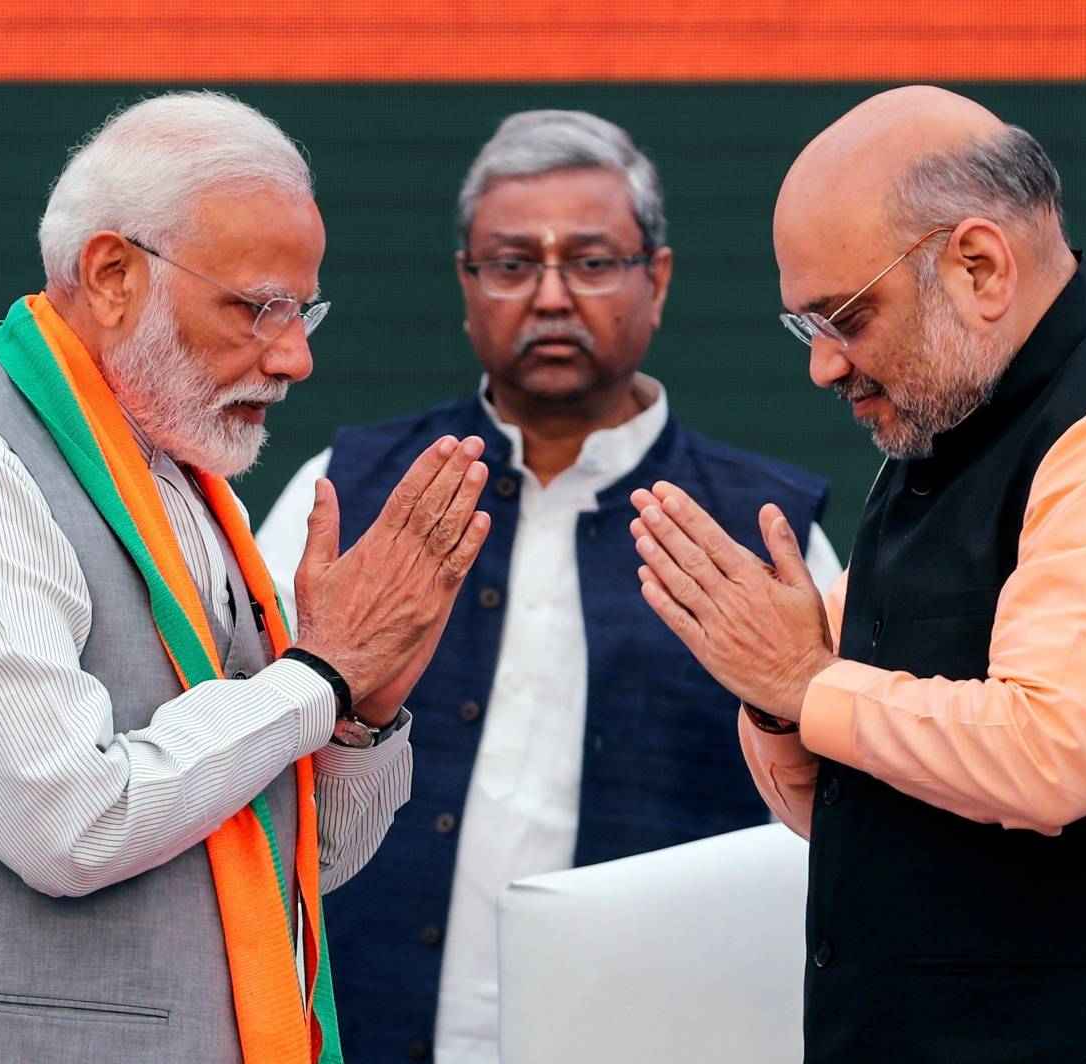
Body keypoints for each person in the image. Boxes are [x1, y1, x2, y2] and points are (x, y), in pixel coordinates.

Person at [0, 91, 493, 1063]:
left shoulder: (179, 479)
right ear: (112, 275)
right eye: (257, 307)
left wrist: (355, 715)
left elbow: (288, 860)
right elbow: (75, 823)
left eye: (304, 307)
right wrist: (315, 676)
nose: (297, 355)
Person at [628, 86, 1086, 1061]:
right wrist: (782, 704)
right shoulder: (945, 448)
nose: (822, 368)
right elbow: (855, 813)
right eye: (808, 330)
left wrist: (803, 680)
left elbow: (1052, 754)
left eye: (844, 316)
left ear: (977, 265)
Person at [255, 109, 840, 1062]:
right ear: (467, 286)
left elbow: (837, 815)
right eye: (513, 263)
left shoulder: (768, 532)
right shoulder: (348, 490)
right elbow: (241, 748)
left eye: (595, 262)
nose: (553, 296)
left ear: (657, 280)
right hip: (357, 1027)